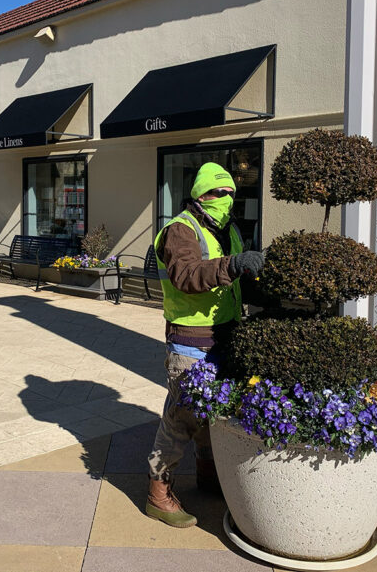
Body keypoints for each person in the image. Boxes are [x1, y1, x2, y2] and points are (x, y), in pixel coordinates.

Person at [146, 162, 264, 528]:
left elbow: (238, 281)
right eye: (218, 192)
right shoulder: (181, 229)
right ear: (200, 194)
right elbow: (186, 275)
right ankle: (158, 492)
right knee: (181, 417)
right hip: (190, 341)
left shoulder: (228, 231)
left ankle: (208, 473)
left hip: (226, 333)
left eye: (231, 193)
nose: (226, 200)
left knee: (212, 413)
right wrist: (233, 264)